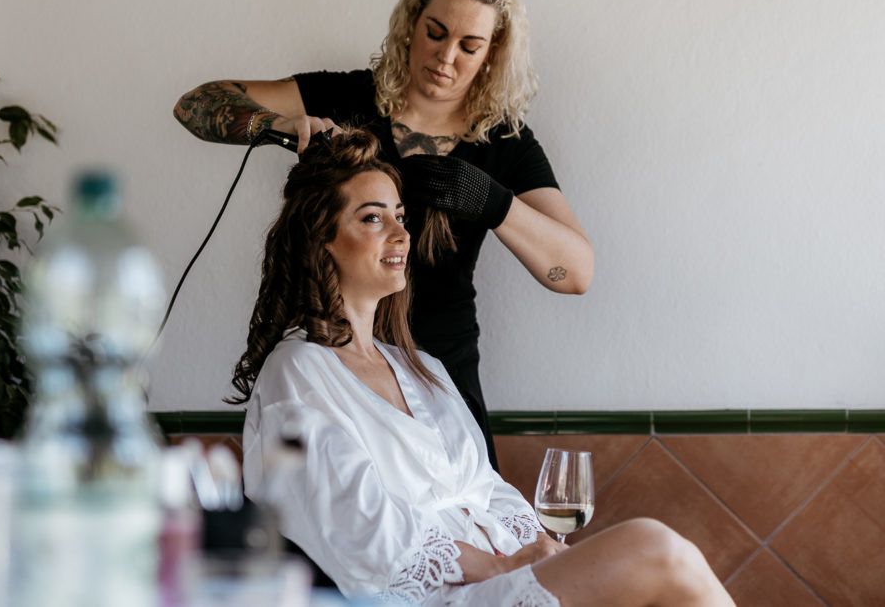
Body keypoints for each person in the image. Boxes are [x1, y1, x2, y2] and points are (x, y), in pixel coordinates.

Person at [235, 129, 733, 606]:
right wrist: (501, 568)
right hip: (429, 597)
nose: (399, 233)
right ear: (320, 238)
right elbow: (356, 526)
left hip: (502, 575)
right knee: (656, 549)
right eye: (372, 218)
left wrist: (541, 552)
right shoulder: (296, 375)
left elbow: (490, 489)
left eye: (400, 216)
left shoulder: (420, 368)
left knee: (654, 575)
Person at [175, 0, 593, 468]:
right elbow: (194, 103)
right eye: (436, 33)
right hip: (331, 368)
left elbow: (575, 272)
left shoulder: (505, 144)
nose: (445, 59)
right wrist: (274, 124)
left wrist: (493, 203)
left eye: (469, 45)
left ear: (494, 52)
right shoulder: (347, 99)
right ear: (412, 22)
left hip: (440, 379)